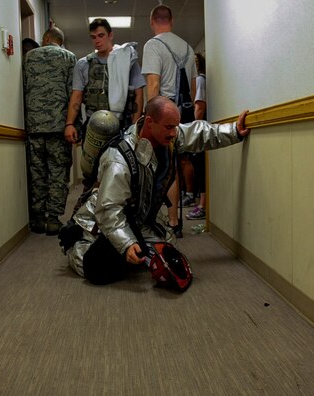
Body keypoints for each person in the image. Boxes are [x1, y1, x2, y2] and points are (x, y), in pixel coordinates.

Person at [61, 96, 250, 286]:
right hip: (98, 221)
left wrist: (234, 130)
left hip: (136, 218)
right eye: (169, 127)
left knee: (166, 252)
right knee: (95, 268)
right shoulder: (118, 158)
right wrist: (127, 243)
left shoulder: (169, 136)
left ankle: (128, 246)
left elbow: (199, 134)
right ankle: (77, 245)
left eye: (175, 126)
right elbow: (109, 209)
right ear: (150, 122)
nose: (174, 132)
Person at [141, 4, 198, 238]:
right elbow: (193, 89)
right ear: (171, 21)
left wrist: (149, 119)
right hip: (183, 114)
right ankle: (174, 221)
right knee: (173, 165)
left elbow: (153, 84)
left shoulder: (153, 45)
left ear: (152, 21)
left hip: (162, 115)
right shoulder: (188, 48)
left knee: (159, 166)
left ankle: (156, 220)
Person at [23, 27, 77, 235]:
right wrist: (74, 124)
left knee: (37, 173)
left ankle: (38, 218)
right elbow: (74, 93)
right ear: (60, 41)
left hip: (34, 126)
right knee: (58, 173)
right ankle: (53, 220)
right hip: (59, 127)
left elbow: (25, 87)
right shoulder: (69, 57)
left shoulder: (29, 57)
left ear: (46, 38)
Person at [64, 18, 145, 147]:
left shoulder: (127, 62)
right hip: (94, 125)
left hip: (121, 125)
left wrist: (134, 128)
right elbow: (77, 96)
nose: (97, 41)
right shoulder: (83, 64)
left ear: (110, 35)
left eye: (101, 36)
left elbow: (138, 94)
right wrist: (69, 124)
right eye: (93, 37)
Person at [186, 52, 208, 220]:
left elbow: (199, 106)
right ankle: (201, 204)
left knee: (201, 167)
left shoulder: (199, 80)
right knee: (199, 167)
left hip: (200, 129)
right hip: (202, 128)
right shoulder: (200, 80)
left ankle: (202, 206)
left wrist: (194, 130)